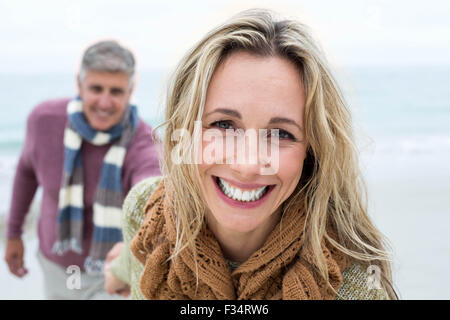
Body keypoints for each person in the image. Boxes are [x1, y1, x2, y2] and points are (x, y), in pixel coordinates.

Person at [105, 9, 398, 300]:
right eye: (223, 125)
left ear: (312, 151)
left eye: (281, 134)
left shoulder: (354, 287)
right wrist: (116, 273)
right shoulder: (145, 215)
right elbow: (126, 266)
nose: (247, 166)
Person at [4, 40, 160, 299]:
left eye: (116, 91)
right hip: (54, 264)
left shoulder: (144, 142)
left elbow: (151, 190)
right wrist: (13, 233)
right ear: (79, 85)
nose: (105, 101)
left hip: (113, 273)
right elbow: (26, 171)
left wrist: (135, 261)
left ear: (131, 90)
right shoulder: (43, 121)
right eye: (96, 88)